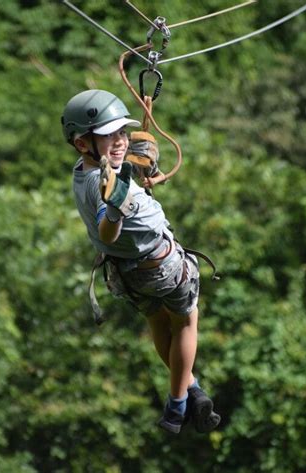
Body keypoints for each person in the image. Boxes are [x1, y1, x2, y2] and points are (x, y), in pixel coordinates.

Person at [61, 89, 220, 434]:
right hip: (161, 266)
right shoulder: (106, 187)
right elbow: (107, 231)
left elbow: (114, 172)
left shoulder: (85, 170)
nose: (120, 141)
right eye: (109, 135)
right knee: (186, 322)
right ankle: (177, 406)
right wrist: (117, 206)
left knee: (159, 323)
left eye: (122, 132)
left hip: (125, 274)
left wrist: (131, 165)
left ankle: (190, 387)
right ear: (83, 143)